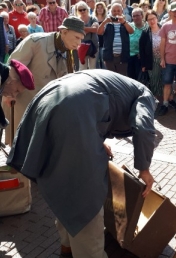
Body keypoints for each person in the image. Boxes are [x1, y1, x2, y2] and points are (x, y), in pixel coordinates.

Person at [6, 69, 156, 258]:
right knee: (86, 198)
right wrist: (144, 169)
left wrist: (97, 141)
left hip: (48, 97)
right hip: (73, 111)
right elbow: (144, 128)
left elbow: (90, 101)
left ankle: (67, 247)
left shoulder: (119, 82)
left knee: (63, 184)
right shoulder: (146, 95)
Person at [3, 16, 85, 146]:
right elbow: (14, 66)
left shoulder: (69, 52)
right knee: (20, 144)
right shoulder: (35, 41)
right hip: (24, 101)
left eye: (81, 39)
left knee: (40, 145)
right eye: (76, 37)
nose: (79, 43)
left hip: (47, 105)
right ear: (64, 31)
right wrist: (8, 94)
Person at [157, 2, 176, 117]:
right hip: (169, 60)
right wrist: (162, 59)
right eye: (174, 11)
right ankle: (165, 104)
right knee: (167, 83)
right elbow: (162, 44)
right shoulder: (165, 26)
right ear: (169, 12)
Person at [97, 3, 134, 76]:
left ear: (122, 11)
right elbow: (99, 32)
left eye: (118, 11)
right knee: (111, 78)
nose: (116, 12)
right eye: (114, 11)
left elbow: (131, 31)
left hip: (122, 56)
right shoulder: (107, 23)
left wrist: (124, 22)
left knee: (122, 78)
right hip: (109, 56)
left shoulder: (125, 23)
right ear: (111, 11)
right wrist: (105, 21)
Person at [139, 10, 163, 98]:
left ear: (157, 18)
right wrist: (143, 65)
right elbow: (142, 50)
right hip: (151, 61)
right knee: (154, 82)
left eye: (153, 18)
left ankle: (167, 102)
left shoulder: (164, 29)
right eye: (149, 20)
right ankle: (156, 101)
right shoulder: (145, 33)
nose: (152, 21)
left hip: (165, 59)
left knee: (166, 81)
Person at [75, 1, 99, 70]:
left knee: (92, 68)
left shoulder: (93, 18)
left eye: (84, 9)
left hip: (93, 46)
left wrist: (83, 29)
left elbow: (95, 29)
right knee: (82, 68)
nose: (82, 11)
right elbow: (77, 33)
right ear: (77, 11)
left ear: (87, 9)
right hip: (81, 47)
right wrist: (90, 29)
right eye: (80, 10)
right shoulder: (77, 21)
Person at [127, 7, 147, 80]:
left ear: (142, 16)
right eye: (133, 16)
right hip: (129, 56)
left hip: (140, 57)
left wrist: (143, 53)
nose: (135, 18)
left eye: (137, 15)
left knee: (140, 78)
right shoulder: (129, 26)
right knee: (130, 78)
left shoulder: (147, 27)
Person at [94, 1, 107, 69]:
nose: (99, 9)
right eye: (98, 8)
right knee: (95, 63)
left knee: (104, 62)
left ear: (104, 9)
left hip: (104, 43)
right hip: (95, 43)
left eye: (101, 8)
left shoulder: (106, 19)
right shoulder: (93, 19)